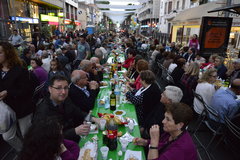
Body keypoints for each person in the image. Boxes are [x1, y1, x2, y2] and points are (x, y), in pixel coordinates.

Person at [33, 75, 99, 142]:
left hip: (74, 139)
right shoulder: (43, 111)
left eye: (66, 88)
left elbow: (78, 112)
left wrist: (94, 119)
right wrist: (74, 131)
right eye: (59, 88)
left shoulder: (65, 100)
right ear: (50, 89)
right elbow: (48, 138)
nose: (63, 92)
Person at [0, 42, 34, 152]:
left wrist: (8, 92)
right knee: (7, 136)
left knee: (26, 135)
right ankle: (23, 151)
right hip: (5, 110)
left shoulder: (20, 69)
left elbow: (27, 90)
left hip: (22, 108)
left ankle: (33, 154)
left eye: (0, 52)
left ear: (8, 53)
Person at [133, 103, 198, 160]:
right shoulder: (171, 132)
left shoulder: (181, 148)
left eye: (168, 119)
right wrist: (145, 142)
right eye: (165, 117)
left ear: (180, 125)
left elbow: (156, 145)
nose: (163, 121)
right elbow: (161, 143)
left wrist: (154, 141)